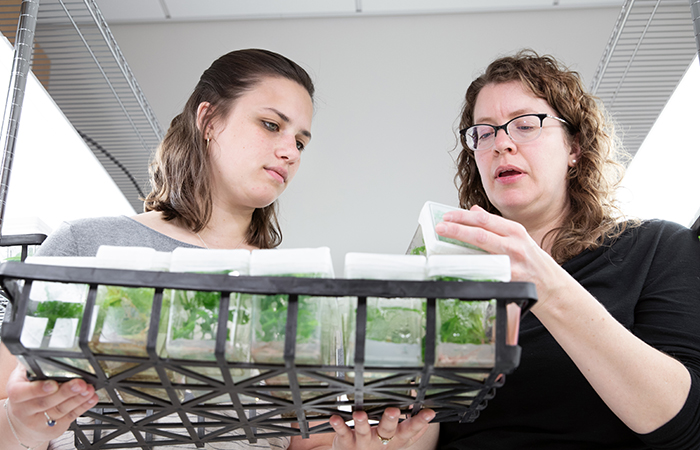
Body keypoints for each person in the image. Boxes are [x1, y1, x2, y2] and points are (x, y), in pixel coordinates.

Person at [421, 49, 698, 448]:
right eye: (484, 132)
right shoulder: (457, 286)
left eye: (525, 124)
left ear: (575, 147)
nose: (501, 143)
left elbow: (685, 425)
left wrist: (547, 288)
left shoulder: (657, 248)